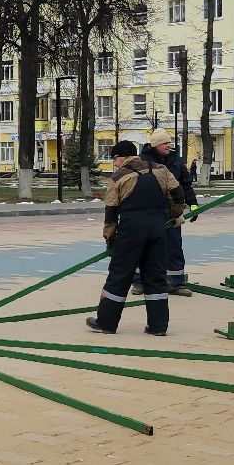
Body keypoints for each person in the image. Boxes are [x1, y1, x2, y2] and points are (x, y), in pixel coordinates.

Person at [88, 140, 187, 336]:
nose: (114, 163)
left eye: (115, 158)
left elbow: (111, 211)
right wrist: (174, 216)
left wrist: (110, 238)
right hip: (157, 230)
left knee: (119, 276)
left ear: (123, 157)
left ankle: (106, 323)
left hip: (130, 231)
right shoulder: (161, 170)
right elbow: (178, 194)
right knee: (156, 276)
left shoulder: (119, 176)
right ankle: (158, 326)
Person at [139, 129, 197, 294]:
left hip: (172, 212)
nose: (168, 146)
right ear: (155, 144)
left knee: (173, 247)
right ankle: (140, 282)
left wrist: (193, 205)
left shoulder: (176, 160)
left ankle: (175, 283)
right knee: (146, 247)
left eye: (169, 143)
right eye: (165, 143)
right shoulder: (143, 160)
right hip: (150, 212)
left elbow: (186, 184)